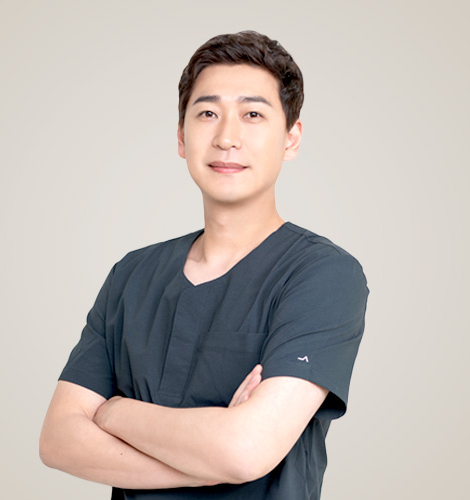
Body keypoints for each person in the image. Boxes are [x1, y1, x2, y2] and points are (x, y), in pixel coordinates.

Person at [39, 31, 369, 500]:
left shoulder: (323, 276)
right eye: (207, 114)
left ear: (291, 139)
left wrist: (115, 413)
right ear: (181, 137)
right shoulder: (132, 275)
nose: (226, 138)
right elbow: (58, 440)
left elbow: (244, 450)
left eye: (253, 115)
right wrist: (207, 463)